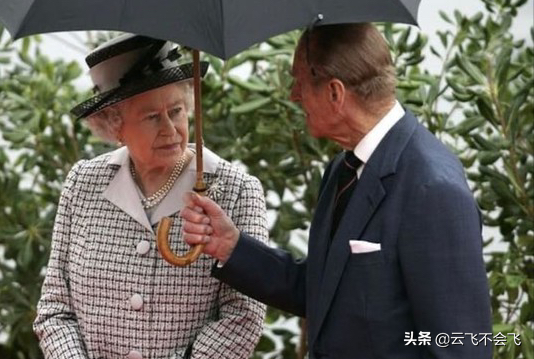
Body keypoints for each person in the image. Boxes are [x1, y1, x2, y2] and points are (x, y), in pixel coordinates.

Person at [182, 23, 493, 359]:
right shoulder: (343, 168)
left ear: (334, 93)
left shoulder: (433, 189)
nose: (293, 95)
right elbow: (323, 290)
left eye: (299, 81)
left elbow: (463, 347)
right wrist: (231, 246)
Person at [34, 33, 268, 359]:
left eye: (176, 111)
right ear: (115, 125)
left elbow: (243, 316)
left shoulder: (236, 191)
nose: (171, 130)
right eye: (152, 117)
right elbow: (55, 306)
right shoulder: (83, 183)